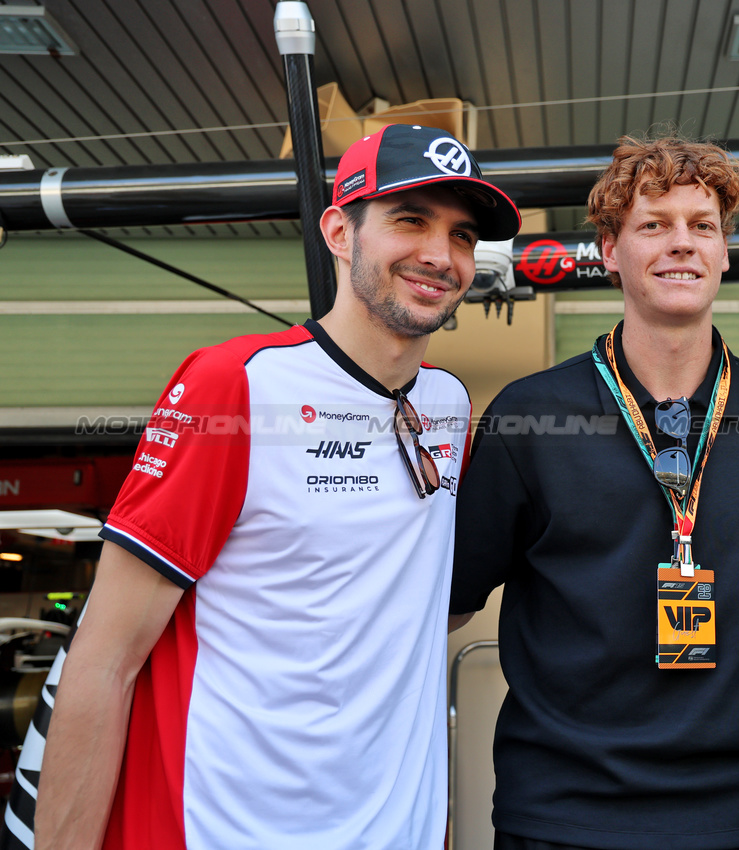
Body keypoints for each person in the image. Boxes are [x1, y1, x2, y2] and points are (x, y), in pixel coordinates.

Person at [34, 124, 520, 850]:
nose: (438, 254)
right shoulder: (236, 384)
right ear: (339, 232)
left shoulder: (448, 406)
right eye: (410, 220)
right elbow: (106, 658)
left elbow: (408, 613)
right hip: (227, 828)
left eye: (461, 235)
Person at [449, 134, 739, 850]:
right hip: (560, 814)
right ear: (609, 250)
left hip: (733, 815)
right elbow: (442, 608)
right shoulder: (527, 416)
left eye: (702, 226)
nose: (682, 243)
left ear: (724, 252)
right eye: (654, 224)